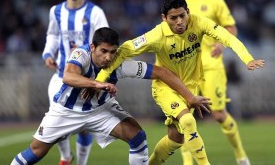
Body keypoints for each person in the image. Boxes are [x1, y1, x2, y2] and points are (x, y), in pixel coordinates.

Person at [94, 0, 264, 165]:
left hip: (190, 88)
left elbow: (227, 37)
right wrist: (100, 80)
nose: (179, 22)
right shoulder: (157, 35)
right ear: (164, 18)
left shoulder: (199, 23)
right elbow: (125, 50)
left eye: (182, 15)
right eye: (173, 18)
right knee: (188, 121)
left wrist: (247, 58)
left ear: (188, 12)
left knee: (175, 139)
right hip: (165, 88)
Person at [11, 27, 210, 165]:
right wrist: (97, 83)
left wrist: (190, 97)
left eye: (112, 52)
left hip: (100, 110)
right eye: (103, 51)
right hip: (66, 111)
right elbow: (68, 76)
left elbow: (162, 73)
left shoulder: (119, 62)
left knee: (138, 137)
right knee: (36, 152)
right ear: (92, 47)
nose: (108, 57)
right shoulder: (81, 54)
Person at [179, 0, 252, 164]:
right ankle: (187, 162)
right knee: (184, 117)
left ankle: (240, 154)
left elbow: (231, 27)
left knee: (219, 115)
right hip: (186, 68)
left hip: (211, 65)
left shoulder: (215, 0)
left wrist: (221, 43)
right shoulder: (178, 2)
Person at [42, 0, 109, 165]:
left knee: (84, 125)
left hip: (86, 78)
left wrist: (99, 79)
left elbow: (105, 42)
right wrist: (48, 53)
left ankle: (81, 163)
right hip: (61, 75)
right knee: (56, 120)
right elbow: (52, 35)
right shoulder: (55, 11)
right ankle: (65, 157)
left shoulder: (95, 12)